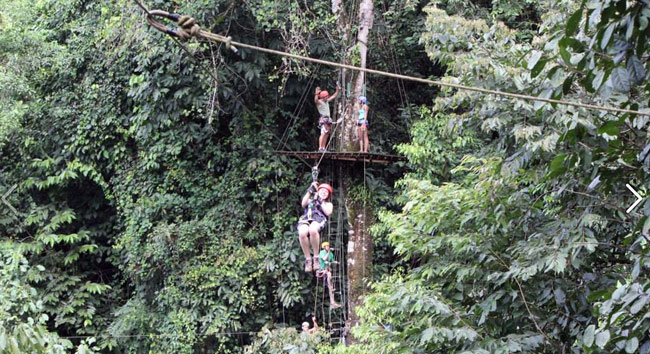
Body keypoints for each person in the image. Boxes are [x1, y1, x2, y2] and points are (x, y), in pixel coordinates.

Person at [297, 181, 334, 272]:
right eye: (322, 191)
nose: (324, 193)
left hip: (318, 219)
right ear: (318, 191)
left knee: (313, 230)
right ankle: (308, 259)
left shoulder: (327, 204)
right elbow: (303, 203)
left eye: (326, 192)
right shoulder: (311, 201)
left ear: (328, 195)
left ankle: (316, 257)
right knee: (302, 233)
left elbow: (328, 212)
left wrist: (320, 201)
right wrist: (310, 191)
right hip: (306, 218)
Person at [314, 85, 341, 152]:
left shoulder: (326, 101)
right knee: (323, 133)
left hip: (328, 119)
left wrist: (338, 90)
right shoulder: (320, 102)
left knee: (327, 133)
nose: (328, 97)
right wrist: (317, 93)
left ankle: (323, 147)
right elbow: (315, 100)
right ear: (323, 97)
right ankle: (320, 148)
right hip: (323, 119)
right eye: (326, 96)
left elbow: (334, 96)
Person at [317, 241, 342, 308]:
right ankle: (330, 285)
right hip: (322, 270)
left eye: (328, 246)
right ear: (324, 247)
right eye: (327, 246)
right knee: (329, 274)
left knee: (330, 288)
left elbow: (331, 260)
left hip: (327, 269)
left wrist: (335, 262)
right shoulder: (322, 252)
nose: (328, 247)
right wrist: (328, 252)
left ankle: (332, 302)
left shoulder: (331, 254)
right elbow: (324, 258)